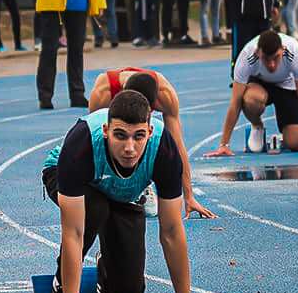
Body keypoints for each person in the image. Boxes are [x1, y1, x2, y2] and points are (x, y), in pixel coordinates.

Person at [41, 89, 227, 293]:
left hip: (121, 193)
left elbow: (171, 232)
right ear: (106, 130)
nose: (130, 148)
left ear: (149, 133)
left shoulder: (164, 148)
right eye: (120, 136)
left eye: (138, 137)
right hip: (70, 179)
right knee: (94, 210)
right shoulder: (81, 143)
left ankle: (105, 266)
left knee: (130, 291)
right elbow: (73, 233)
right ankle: (60, 290)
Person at [87, 67, 215, 218]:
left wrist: (189, 196)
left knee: (144, 137)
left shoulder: (165, 95)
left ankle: (143, 184)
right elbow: (94, 143)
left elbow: (176, 146)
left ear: (154, 104)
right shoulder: (103, 93)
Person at [203, 29, 298, 157]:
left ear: (283, 50)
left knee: (297, 143)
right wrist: (224, 144)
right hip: (259, 86)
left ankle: (285, 136)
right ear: (257, 52)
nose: (272, 65)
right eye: (266, 59)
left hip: (287, 87)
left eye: (276, 58)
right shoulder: (247, 56)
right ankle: (257, 126)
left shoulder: (294, 52)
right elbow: (235, 103)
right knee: (251, 100)